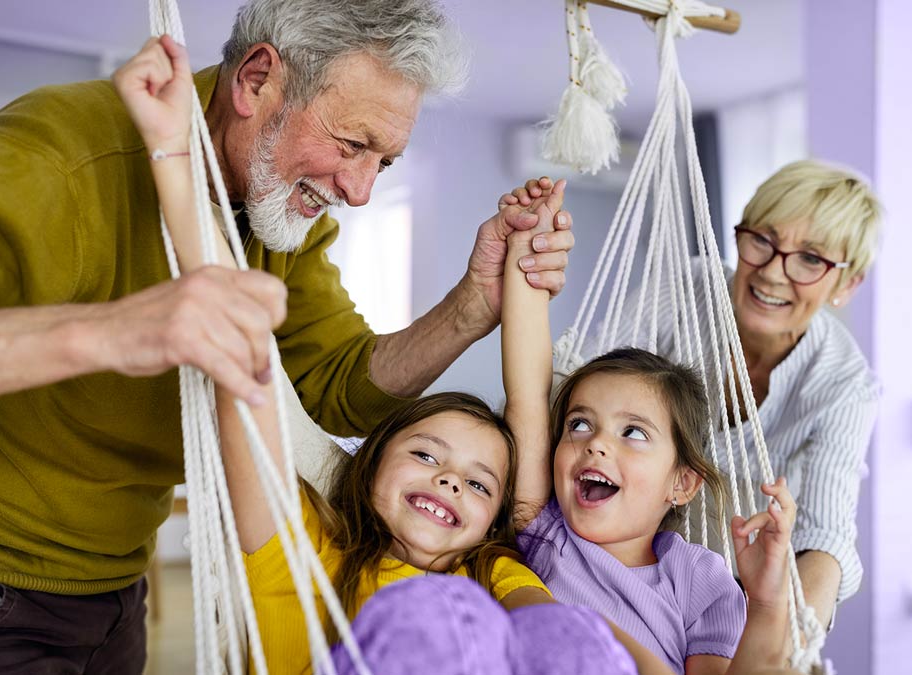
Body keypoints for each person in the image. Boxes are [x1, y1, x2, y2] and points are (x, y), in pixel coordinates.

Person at [0, 1, 574, 672]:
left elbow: (334, 384)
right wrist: (113, 331)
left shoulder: (277, 207)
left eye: (384, 162)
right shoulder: (57, 157)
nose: (358, 192)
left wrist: (470, 307)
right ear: (256, 81)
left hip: (112, 586)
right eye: (352, 145)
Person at [124, 34, 640, 675]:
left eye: (479, 484)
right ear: (367, 469)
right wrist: (175, 157)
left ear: (491, 524)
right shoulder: (302, 547)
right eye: (425, 455)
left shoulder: (495, 571)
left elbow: (547, 625)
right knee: (428, 622)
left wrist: (521, 276)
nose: (450, 480)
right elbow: (241, 355)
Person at [497, 179, 801, 674]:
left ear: (681, 483)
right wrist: (526, 248)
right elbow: (528, 394)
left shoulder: (700, 579)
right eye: (578, 424)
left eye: (632, 432)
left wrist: (766, 603)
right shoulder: (546, 530)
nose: (594, 443)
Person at [583, 160, 883, 629]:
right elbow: (575, 379)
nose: (773, 274)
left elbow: (825, 536)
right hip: (611, 548)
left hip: (728, 592)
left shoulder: (844, 384)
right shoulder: (689, 288)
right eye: (762, 240)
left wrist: (794, 641)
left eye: (810, 258)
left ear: (846, 283)